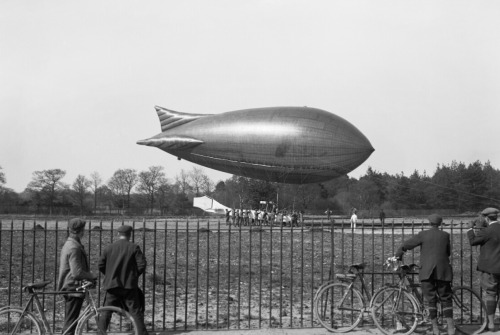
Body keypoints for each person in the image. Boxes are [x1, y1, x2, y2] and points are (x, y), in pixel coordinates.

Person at [395, 214, 454, 335]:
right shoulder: (445, 235)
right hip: (443, 270)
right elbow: (448, 252)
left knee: (431, 300)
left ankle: (435, 329)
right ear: (440, 223)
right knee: (446, 298)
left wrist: (399, 253)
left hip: (427, 271)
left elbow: (408, 244)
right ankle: (450, 328)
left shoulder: (423, 234)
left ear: (429, 223)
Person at [98, 225, 148, 335]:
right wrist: (133, 276)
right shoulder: (134, 247)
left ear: (118, 234)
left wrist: (110, 274)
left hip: (112, 284)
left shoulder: (109, 248)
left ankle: (101, 333)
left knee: (106, 311)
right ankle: (141, 333)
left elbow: (101, 265)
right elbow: (142, 265)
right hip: (129, 285)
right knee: (135, 311)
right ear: (130, 235)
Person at [57, 218, 97, 335]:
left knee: (70, 322)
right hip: (73, 287)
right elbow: (77, 272)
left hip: (72, 286)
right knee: (70, 325)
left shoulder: (70, 243)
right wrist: (92, 276)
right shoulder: (74, 247)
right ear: (81, 231)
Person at [467, 207, 500, 331]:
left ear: (486, 218)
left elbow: (473, 241)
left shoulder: (487, 231)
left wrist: (470, 228)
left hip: (490, 269)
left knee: (491, 294)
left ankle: (491, 323)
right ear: (496, 217)